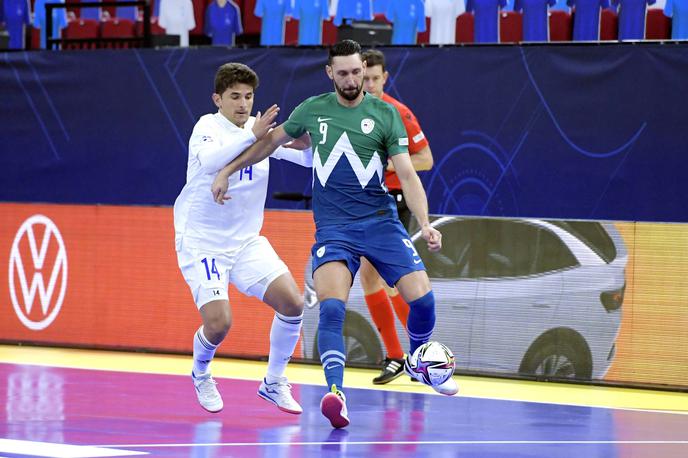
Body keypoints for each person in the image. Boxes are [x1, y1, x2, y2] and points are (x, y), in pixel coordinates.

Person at [210, 40, 459, 429]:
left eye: (356, 71)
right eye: (342, 73)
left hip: (381, 221)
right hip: (334, 229)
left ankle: (417, 360)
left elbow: (408, 173)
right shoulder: (312, 110)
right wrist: (227, 169)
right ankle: (336, 393)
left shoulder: (386, 115)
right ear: (330, 74)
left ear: (364, 70)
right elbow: (268, 144)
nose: (351, 79)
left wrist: (425, 223)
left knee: (423, 299)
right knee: (331, 307)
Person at [173, 63, 312, 415]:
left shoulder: (258, 128)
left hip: (246, 241)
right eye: (234, 97)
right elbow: (211, 163)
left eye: (249, 97)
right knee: (219, 324)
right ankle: (201, 372)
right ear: (217, 98)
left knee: (293, 304)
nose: (243, 104)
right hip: (202, 241)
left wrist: (311, 142)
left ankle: (273, 382)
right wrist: (255, 134)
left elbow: (307, 160)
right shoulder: (208, 127)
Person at [360, 49, 434, 385]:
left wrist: (390, 164)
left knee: (390, 280)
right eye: (365, 78)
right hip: (363, 201)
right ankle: (399, 355)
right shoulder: (348, 111)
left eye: (376, 78)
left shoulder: (398, 113)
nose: (370, 84)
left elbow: (426, 160)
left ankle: (417, 355)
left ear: (385, 78)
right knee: (370, 278)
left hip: (393, 201)